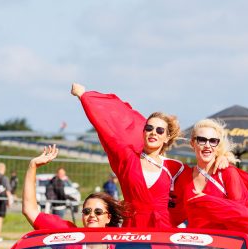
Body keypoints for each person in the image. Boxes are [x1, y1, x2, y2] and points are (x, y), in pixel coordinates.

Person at [72, 82, 201, 228]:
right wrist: (84, 97)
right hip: (132, 231)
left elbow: (201, 181)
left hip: (162, 233)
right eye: (149, 128)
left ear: (166, 138)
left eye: (160, 130)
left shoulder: (176, 168)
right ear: (143, 132)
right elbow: (106, 129)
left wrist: (222, 157)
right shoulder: (127, 158)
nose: (153, 132)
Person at [168, 118, 248, 247]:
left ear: (218, 145)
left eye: (213, 141)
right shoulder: (184, 176)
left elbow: (241, 212)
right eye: (202, 140)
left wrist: (208, 202)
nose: (207, 145)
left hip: (229, 248)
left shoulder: (226, 172)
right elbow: (174, 214)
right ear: (193, 143)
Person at [23, 145, 124, 249]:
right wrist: (32, 166)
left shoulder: (120, 247)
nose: (92, 215)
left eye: (98, 212)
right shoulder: (67, 236)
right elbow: (30, 210)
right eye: (87, 211)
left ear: (109, 217)